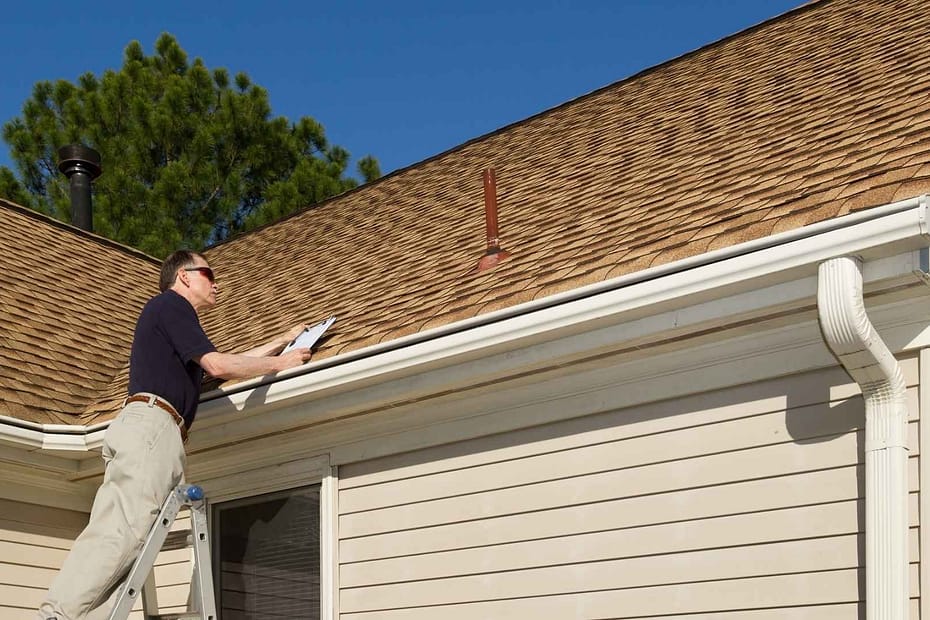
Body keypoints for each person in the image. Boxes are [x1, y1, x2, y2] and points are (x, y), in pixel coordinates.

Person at [37, 249, 314, 620]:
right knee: (122, 530)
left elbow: (220, 366)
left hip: (153, 430)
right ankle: (56, 615)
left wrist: (283, 341)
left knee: (132, 539)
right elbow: (217, 363)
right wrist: (284, 363)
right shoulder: (171, 305)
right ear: (183, 276)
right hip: (154, 427)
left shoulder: (172, 327)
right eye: (208, 274)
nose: (216, 283)